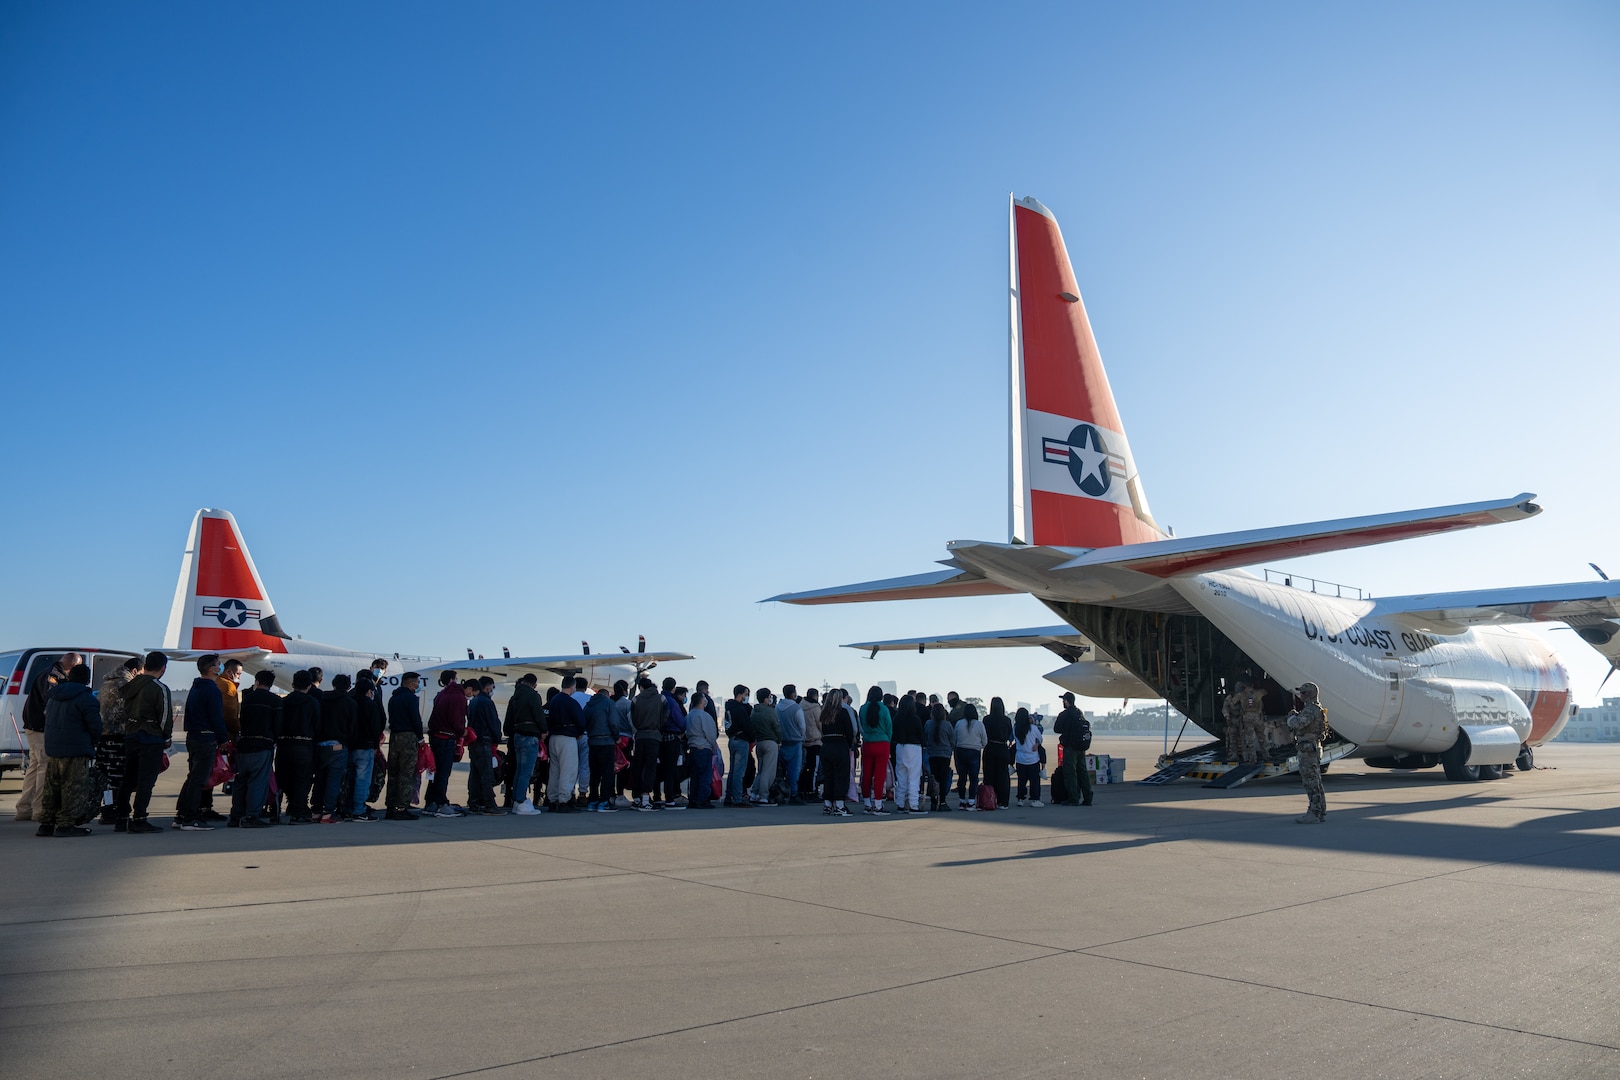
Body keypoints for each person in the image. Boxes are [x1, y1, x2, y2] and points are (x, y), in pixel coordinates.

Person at [37, 663, 101, 837]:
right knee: (73, 787)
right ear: (87, 680)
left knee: (52, 787)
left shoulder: (53, 696)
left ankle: (46, 823)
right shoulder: (87, 699)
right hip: (76, 749)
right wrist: (94, 743)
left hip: (53, 748)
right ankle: (66, 824)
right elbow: (95, 727)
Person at [15, 652, 79, 822]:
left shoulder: (49, 672)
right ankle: (39, 809)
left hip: (34, 726)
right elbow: (50, 700)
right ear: (72, 666)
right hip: (40, 727)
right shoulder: (53, 677)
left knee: (35, 767)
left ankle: (24, 809)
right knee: (43, 766)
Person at [113, 652, 171, 833]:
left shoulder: (130, 686)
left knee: (128, 778)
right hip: (150, 736)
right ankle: (139, 818)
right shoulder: (159, 687)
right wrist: (166, 737)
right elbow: (165, 716)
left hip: (131, 734)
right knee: (146, 780)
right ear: (163, 668)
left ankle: (122, 817)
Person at [175, 654, 228, 831]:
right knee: (199, 779)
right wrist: (223, 739)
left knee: (192, 777)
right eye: (218, 665)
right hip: (206, 738)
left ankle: (182, 814)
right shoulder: (212, 690)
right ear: (212, 668)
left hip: (194, 736)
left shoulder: (196, 687)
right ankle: (190, 818)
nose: (220, 667)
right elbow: (216, 717)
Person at [94, 657, 141, 824]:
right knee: (120, 778)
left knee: (107, 778)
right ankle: (116, 810)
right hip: (119, 737)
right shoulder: (127, 684)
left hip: (104, 737)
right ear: (135, 671)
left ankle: (107, 809)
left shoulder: (107, 683)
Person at [230, 670, 280, 828]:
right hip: (263, 744)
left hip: (244, 744)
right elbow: (278, 725)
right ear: (271, 684)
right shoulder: (275, 700)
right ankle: (252, 815)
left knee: (241, 781)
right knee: (258, 781)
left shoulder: (247, 697)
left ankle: (235, 815)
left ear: (257, 681)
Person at [277, 670, 320, 823]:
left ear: (293, 684)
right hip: (304, 744)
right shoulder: (313, 702)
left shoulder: (284, 701)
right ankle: (298, 810)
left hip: (284, 744)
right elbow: (317, 725)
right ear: (309, 685)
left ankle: (275, 809)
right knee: (302, 779)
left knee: (282, 778)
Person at [312, 673, 354, 823]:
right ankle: (328, 812)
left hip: (320, 745)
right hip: (338, 746)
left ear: (333, 685)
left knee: (320, 779)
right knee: (334, 780)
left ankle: (316, 811)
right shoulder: (349, 702)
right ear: (349, 687)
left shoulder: (322, 700)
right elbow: (352, 727)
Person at [424, 670, 467, 817]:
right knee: (443, 772)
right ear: (452, 680)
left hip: (436, 736)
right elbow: (456, 720)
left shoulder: (441, 694)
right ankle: (442, 803)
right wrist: (463, 731)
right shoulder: (457, 696)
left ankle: (431, 802)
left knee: (435, 771)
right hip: (446, 738)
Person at [504, 673, 546, 815]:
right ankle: (521, 801)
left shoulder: (514, 697)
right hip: (530, 735)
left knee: (519, 770)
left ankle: (516, 800)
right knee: (526, 771)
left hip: (517, 735)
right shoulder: (532, 695)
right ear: (534, 684)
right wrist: (544, 730)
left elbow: (508, 721)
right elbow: (538, 714)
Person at [386, 672, 426, 820]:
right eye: (417, 682)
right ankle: (402, 807)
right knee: (406, 772)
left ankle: (390, 806)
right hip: (408, 737)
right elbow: (415, 719)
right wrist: (421, 738)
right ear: (410, 684)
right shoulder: (411, 698)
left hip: (395, 737)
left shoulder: (393, 698)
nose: (418, 685)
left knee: (393, 772)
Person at [1287, 682, 1328, 823]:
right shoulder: (1314, 709)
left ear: (1310, 694)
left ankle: (1314, 813)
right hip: (1311, 747)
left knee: (1310, 782)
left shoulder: (1311, 709)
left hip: (1308, 750)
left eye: (1303, 693)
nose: (1301, 696)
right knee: (1315, 781)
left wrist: (1291, 718)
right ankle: (1320, 811)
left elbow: (1298, 724)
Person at [347, 673, 385, 822]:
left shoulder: (350, 702)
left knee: (349, 779)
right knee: (362, 780)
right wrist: (376, 745)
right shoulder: (371, 704)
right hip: (365, 746)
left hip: (350, 746)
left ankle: (347, 806)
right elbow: (375, 728)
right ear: (370, 691)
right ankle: (359, 810)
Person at [544, 678, 584, 812]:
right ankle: (564, 800)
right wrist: (579, 732)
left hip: (553, 737)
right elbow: (580, 721)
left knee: (554, 771)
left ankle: (552, 799)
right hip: (567, 738)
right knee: (568, 770)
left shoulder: (553, 701)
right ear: (573, 687)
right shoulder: (571, 702)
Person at [464, 677, 502, 814]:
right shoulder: (486, 702)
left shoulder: (473, 702)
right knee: (487, 775)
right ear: (487, 687)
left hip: (474, 742)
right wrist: (497, 737)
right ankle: (489, 804)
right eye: (492, 687)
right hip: (484, 741)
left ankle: (474, 802)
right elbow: (493, 722)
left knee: (475, 774)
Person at [630, 677, 666, 811]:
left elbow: (632, 717)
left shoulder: (636, 699)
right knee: (650, 768)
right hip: (654, 736)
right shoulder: (661, 698)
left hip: (640, 736)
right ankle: (646, 798)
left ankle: (637, 798)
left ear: (641, 687)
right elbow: (665, 716)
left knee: (637, 767)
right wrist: (656, 727)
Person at [1052, 692, 1093, 807]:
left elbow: (1057, 729)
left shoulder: (1065, 714)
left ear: (1066, 701)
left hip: (1070, 747)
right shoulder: (1079, 713)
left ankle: (1073, 798)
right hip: (1081, 747)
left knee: (1070, 773)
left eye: (1063, 700)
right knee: (1082, 772)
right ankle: (1088, 797)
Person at [819, 690, 855, 817]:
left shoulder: (824, 713)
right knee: (841, 776)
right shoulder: (843, 712)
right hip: (840, 745)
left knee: (828, 776)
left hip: (826, 746)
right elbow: (850, 732)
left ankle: (827, 805)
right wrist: (850, 744)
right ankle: (840, 805)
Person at [857, 686, 892, 815]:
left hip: (867, 743)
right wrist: (887, 739)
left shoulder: (863, 708)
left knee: (866, 774)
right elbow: (889, 727)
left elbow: (861, 725)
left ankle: (867, 804)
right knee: (879, 775)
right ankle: (878, 805)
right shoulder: (884, 709)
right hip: (882, 743)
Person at [584, 687, 618, 812]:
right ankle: (604, 801)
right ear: (607, 695)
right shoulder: (609, 703)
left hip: (592, 742)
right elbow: (613, 722)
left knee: (594, 774)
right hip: (607, 741)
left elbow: (584, 722)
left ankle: (592, 800)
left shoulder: (589, 705)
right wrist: (616, 736)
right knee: (607, 774)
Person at [890, 693, 925, 813]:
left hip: (900, 747)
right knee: (913, 777)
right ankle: (913, 805)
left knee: (901, 777)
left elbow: (893, 734)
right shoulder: (915, 718)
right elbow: (921, 735)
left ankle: (900, 804)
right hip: (914, 747)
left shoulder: (897, 718)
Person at [685, 693, 719, 809]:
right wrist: (713, 745)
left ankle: (693, 798)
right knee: (705, 775)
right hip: (703, 747)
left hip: (693, 747)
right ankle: (703, 799)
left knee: (694, 776)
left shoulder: (689, 716)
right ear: (701, 701)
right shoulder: (704, 716)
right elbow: (710, 734)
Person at [658, 677, 688, 808]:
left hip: (658, 737)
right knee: (671, 769)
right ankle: (670, 798)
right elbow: (680, 721)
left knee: (658, 769)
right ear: (673, 688)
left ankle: (656, 796)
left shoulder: (658, 699)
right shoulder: (671, 702)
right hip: (671, 738)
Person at [749, 688, 782, 806]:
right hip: (770, 742)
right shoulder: (770, 712)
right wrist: (780, 740)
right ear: (766, 698)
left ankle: (754, 793)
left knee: (761, 770)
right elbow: (776, 727)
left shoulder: (754, 711)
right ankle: (764, 796)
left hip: (759, 742)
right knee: (768, 772)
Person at [723, 684, 754, 808]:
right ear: (741, 694)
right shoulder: (739, 709)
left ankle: (729, 796)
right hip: (741, 740)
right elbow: (747, 725)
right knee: (739, 772)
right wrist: (752, 737)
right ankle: (737, 798)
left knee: (733, 771)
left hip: (732, 739)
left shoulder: (729, 708)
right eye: (746, 694)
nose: (746, 697)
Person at [981, 697, 1014, 809]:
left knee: (989, 775)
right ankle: (1003, 801)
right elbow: (1010, 733)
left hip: (990, 747)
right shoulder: (1007, 720)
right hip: (1002, 748)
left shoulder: (986, 719)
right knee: (1003, 776)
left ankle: (989, 799)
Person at [776, 684, 806, 806]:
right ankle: (793, 793)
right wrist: (802, 736)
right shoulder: (796, 708)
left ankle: (781, 792)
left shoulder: (777, 707)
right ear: (793, 694)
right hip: (795, 742)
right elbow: (802, 726)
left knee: (780, 770)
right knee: (794, 770)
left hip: (782, 742)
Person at [924, 701, 956, 811]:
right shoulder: (947, 725)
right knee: (943, 779)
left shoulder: (928, 724)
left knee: (933, 778)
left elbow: (925, 737)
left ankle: (933, 801)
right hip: (944, 754)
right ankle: (942, 802)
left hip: (932, 754)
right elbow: (952, 741)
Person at [952, 703, 985, 810]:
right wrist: (979, 746)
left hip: (961, 750)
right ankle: (971, 802)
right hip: (974, 751)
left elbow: (954, 739)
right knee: (974, 778)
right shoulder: (979, 724)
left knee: (962, 777)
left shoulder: (959, 723)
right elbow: (985, 741)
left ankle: (962, 801)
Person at [1013, 707, 1044, 807]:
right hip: (1032, 758)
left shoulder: (1015, 728)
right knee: (1034, 780)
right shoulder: (1033, 728)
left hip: (1020, 758)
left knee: (1021, 780)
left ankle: (1020, 799)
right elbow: (1040, 738)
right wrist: (1037, 744)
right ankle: (1035, 800)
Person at [799, 688, 823, 797]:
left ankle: (803, 789)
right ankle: (812, 790)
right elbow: (820, 723)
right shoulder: (815, 707)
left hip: (803, 740)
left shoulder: (800, 706)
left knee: (804, 767)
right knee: (814, 768)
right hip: (815, 740)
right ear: (815, 696)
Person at [1240, 682, 1269, 766]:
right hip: (1257, 718)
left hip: (1247, 718)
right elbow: (1265, 692)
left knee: (1250, 740)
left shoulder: (1241, 694)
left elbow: (1233, 701)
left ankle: (1253, 759)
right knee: (1262, 738)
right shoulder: (1259, 692)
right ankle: (1266, 755)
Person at [1222, 681, 1246, 761]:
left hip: (1242, 720)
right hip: (1233, 720)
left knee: (1244, 738)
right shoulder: (1230, 697)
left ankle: (1245, 755)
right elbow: (1225, 708)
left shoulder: (1246, 697)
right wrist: (1227, 716)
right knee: (1233, 738)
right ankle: (1234, 755)